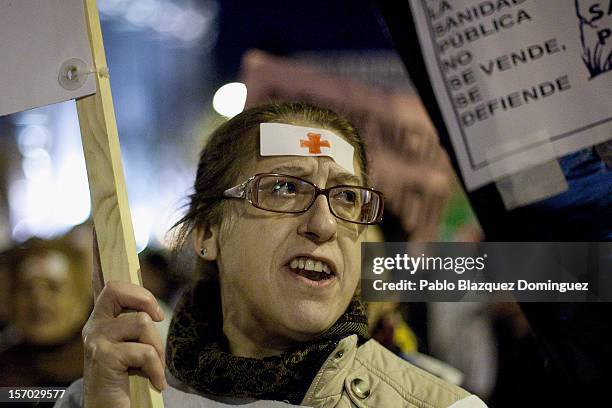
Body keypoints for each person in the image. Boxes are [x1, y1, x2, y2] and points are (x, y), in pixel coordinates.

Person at [57, 102, 486, 407]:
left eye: (347, 197)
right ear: (207, 232)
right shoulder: (108, 394)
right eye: (284, 188)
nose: (324, 223)